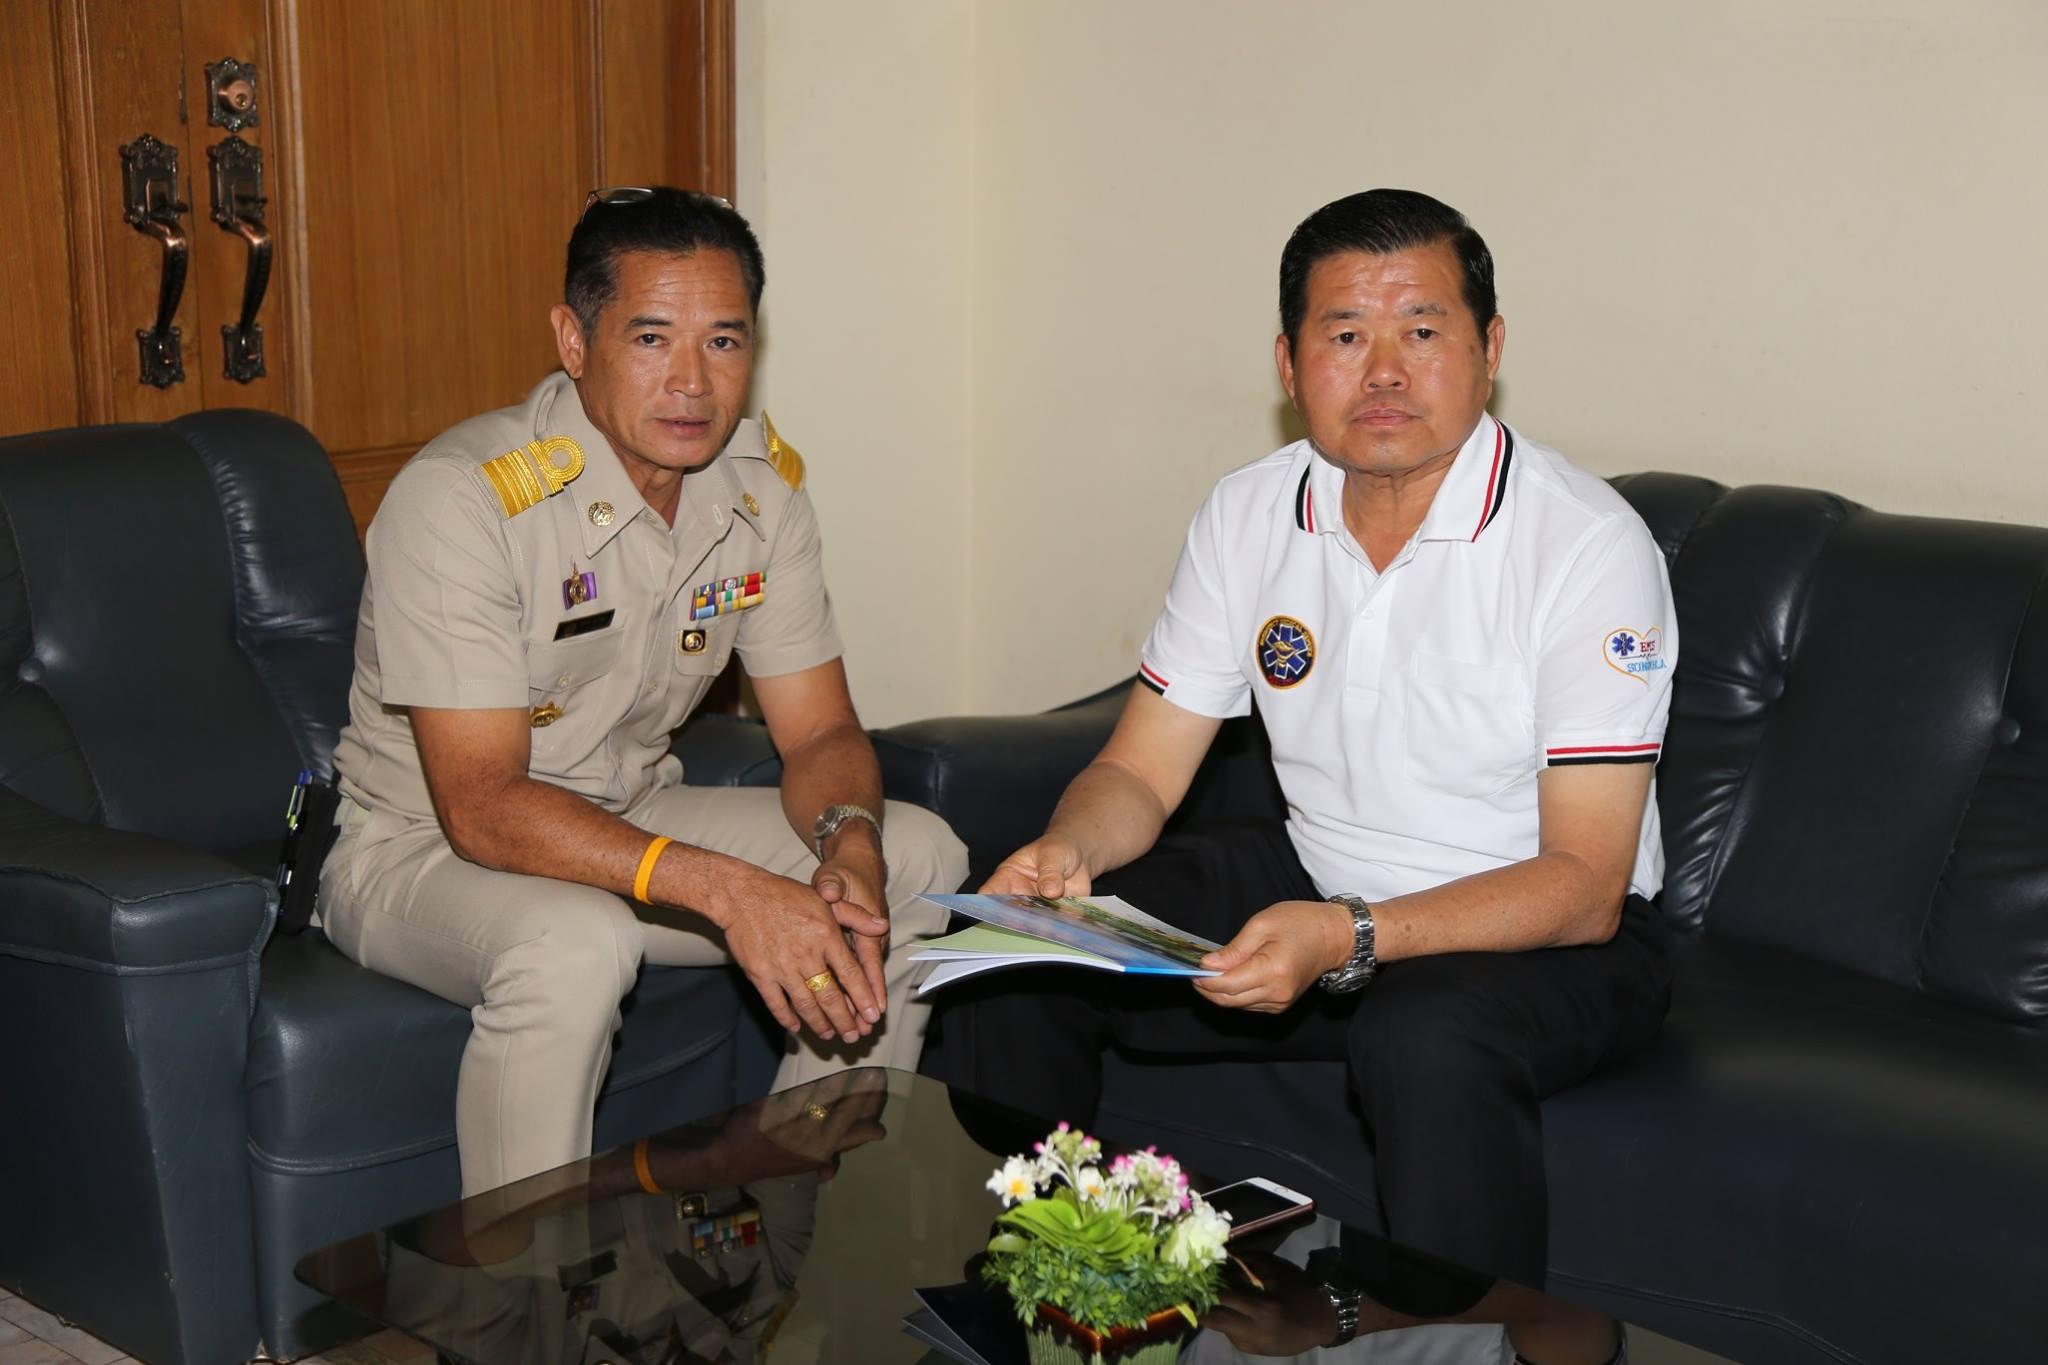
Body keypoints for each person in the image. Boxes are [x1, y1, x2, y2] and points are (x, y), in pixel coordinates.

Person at [931, 189, 1675, 1304]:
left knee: (1425, 1035)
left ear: (1489, 351)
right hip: (1319, 869)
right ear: (1288, 363)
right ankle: (1070, 1283)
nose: (1384, 372)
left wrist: (1348, 934)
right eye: (1345, 336)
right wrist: (1067, 852)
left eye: (1421, 331)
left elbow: (1585, 883)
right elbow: (1138, 769)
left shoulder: (1584, 545)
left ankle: (1470, 1343)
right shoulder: (1250, 512)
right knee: (1016, 941)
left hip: (1541, 929)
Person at [321, 186, 966, 1196]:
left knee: (917, 855)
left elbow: (820, 733)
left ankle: (809, 1217)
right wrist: (727, 890)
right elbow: (482, 805)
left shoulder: (759, 494)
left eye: (724, 341)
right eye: (652, 338)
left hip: (627, 814)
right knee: (577, 940)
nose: (692, 383)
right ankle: (524, 1278)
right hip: (419, 845)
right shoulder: (463, 501)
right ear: (573, 341)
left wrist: (846, 846)